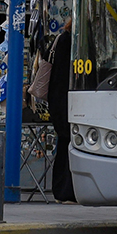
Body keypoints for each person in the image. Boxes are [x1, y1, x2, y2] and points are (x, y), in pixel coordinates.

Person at [47, 19, 74, 202]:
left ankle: (62, 190)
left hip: (60, 99)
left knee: (64, 145)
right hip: (65, 101)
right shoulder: (68, 41)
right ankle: (65, 190)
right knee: (66, 145)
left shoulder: (63, 39)